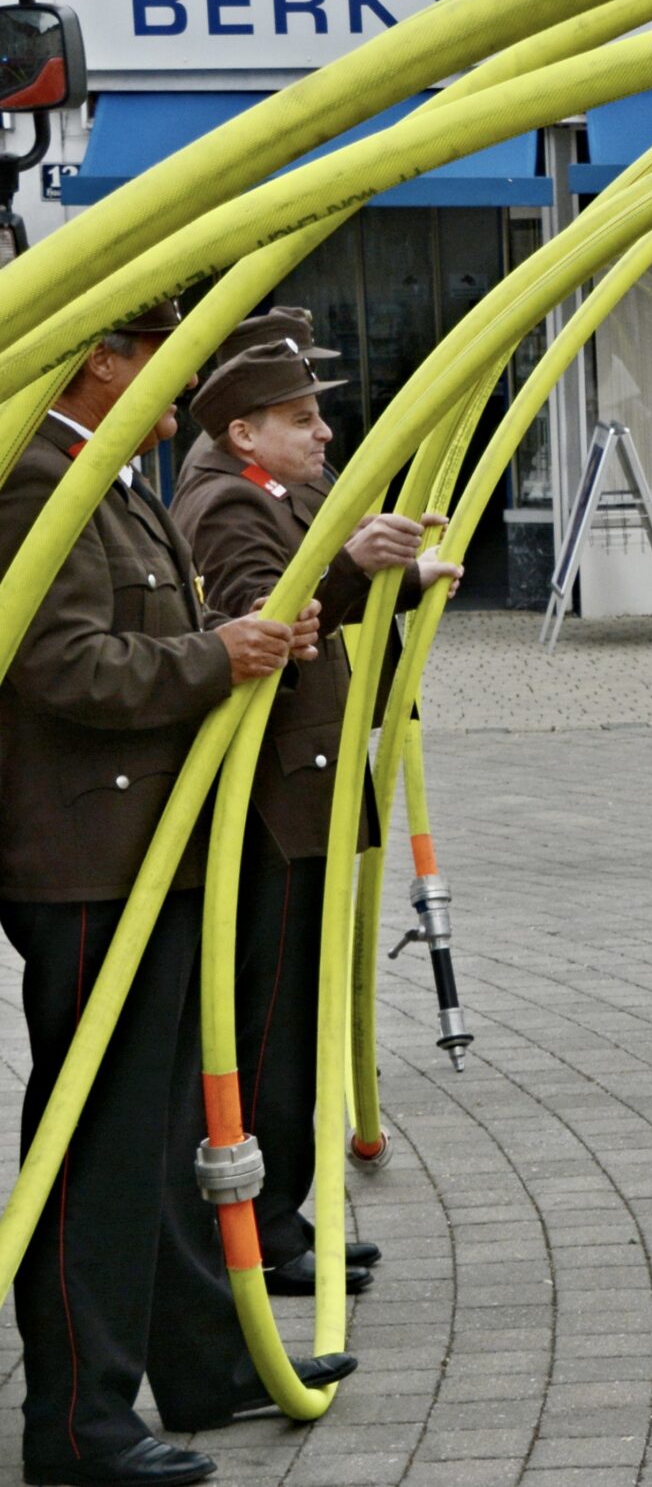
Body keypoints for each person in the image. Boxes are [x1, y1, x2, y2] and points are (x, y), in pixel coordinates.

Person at [0, 300, 352, 1487]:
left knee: (152, 1136)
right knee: (98, 1143)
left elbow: (150, 625)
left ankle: (196, 1360)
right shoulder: (38, 480)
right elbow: (60, 663)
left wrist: (242, 633)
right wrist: (218, 655)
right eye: (165, 359)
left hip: (139, 845)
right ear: (101, 356)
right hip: (87, 856)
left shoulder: (106, 476)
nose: (184, 384)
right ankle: (77, 1423)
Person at [171, 333, 460, 1301]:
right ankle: (267, 1224)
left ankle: (285, 1213)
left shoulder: (264, 487)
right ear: (244, 427)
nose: (324, 431)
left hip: (299, 790)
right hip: (273, 805)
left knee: (291, 1015)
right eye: (303, 419)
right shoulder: (228, 499)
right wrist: (346, 562)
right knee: (270, 1024)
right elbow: (267, 624)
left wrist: (394, 576)